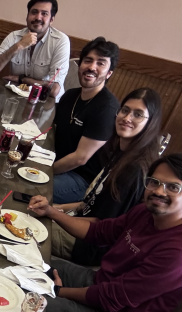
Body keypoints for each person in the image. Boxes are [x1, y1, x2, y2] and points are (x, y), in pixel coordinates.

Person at [28, 154, 182, 312]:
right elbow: (98, 232)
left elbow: (111, 297)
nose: (158, 191)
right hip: (100, 284)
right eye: (154, 182)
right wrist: (51, 212)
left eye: (173, 187)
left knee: (28, 305)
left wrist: (58, 291)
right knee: (28, 264)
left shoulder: (180, 253)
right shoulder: (145, 212)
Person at [45, 88, 163, 265]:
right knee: (30, 206)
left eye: (138, 115)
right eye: (125, 110)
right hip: (82, 223)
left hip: (88, 244)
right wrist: (56, 207)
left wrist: (52, 213)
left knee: (29, 223)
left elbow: (101, 226)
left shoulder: (133, 171)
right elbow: (90, 204)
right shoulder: (122, 151)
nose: (127, 118)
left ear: (150, 123)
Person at [52, 37, 120, 204]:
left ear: (109, 73)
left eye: (100, 63)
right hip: (58, 163)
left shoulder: (107, 108)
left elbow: (80, 158)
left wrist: (45, 171)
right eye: (88, 61)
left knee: (30, 187)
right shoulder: (70, 96)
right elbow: (52, 130)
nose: (91, 67)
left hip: (82, 180)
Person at [0, 0, 69, 101]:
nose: (38, 17)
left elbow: (54, 90)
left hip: (45, 103)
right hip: (16, 99)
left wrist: (23, 79)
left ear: (51, 19)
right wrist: (18, 46)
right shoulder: (14, 37)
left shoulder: (60, 41)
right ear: (27, 16)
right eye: (34, 12)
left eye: (44, 14)